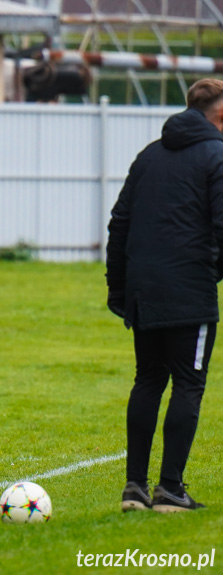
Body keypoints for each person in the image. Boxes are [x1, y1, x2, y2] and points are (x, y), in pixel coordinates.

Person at [107, 78, 223, 513]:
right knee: (188, 384)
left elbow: (118, 224)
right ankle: (170, 490)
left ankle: (134, 488)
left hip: (144, 292)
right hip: (189, 292)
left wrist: (119, 288)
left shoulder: (148, 156)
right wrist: (211, 276)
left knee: (149, 380)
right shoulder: (218, 156)